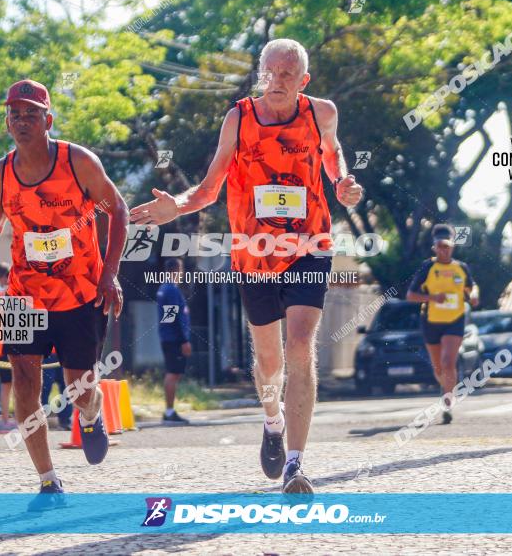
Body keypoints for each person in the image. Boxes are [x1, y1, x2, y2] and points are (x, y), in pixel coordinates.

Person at [130, 39, 363, 494]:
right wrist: (176, 207)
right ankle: (272, 421)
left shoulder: (323, 114)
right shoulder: (239, 118)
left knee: (299, 343)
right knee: (270, 358)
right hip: (253, 251)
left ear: (304, 81)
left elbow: (333, 156)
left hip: (309, 245)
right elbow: (210, 187)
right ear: (259, 72)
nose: (277, 81)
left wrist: (342, 183)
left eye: (287, 75)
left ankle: (296, 464)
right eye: (270, 72)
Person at [0, 79, 128, 511]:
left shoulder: (77, 161)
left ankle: (90, 414)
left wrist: (110, 273)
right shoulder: (1, 173)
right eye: (15, 113)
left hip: (79, 292)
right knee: (26, 385)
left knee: (79, 385)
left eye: (32, 113)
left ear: (48, 119)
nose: (22, 120)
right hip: (23, 296)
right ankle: (49, 482)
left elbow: (117, 208)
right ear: (8, 122)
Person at [406, 224, 479, 425]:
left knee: (448, 363)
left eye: (446, 246)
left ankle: (448, 403)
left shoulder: (461, 268)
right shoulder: (428, 267)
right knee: (438, 368)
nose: (443, 250)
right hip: (431, 321)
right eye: (439, 246)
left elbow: (472, 288)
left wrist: (473, 296)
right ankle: (445, 388)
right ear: (434, 247)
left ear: (453, 247)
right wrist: (431, 297)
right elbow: (411, 295)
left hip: (455, 320)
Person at [156, 258, 191, 424]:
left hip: (169, 337)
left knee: (174, 373)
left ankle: (170, 410)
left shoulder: (166, 289)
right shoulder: (170, 290)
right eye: (180, 270)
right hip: (173, 339)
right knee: (173, 373)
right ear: (176, 270)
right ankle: (169, 412)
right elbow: (172, 317)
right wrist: (183, 340)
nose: (181, 273)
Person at [0, 263, 14, 432]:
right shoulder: (4, 296)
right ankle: (5, 419)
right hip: (6, 347)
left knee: (8, 385)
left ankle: (6, 418)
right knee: (7, 385)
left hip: (2, 347)